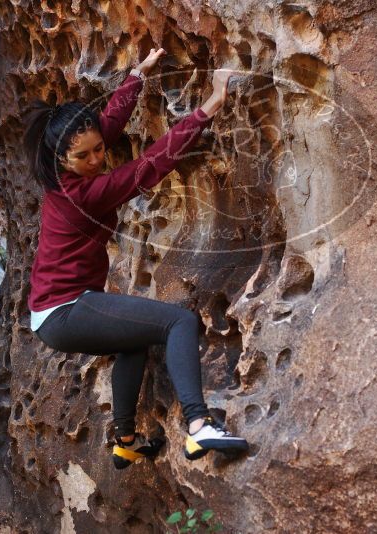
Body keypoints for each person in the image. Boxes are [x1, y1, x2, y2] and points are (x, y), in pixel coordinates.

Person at [22, 48, 249, 470]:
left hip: (52, 314)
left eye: (96, 151)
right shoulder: (82, 194)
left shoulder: (68, 169)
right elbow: (149, 165)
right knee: (178, 322)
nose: (96, 159)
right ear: (62, 160)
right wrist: (212, 104)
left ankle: (125, 440)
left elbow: (105, 126)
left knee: (134, 345)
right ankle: (199, 426)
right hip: (66, 310)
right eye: (84, 156)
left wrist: (136, 77)